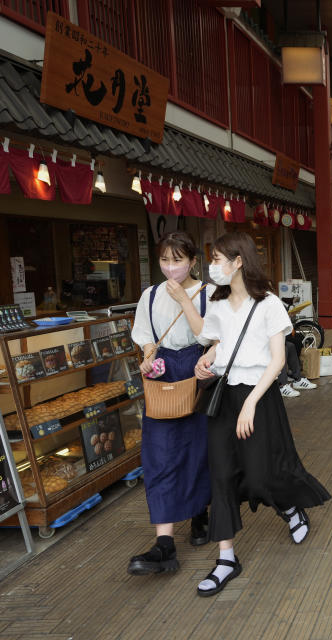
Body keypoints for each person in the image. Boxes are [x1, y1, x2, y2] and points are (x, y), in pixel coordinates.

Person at [194, 232, 331, 597]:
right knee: (221, 474)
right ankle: (226, 558)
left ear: (239, 261)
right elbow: (215, 344)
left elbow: (278, 360)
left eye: (218, 259)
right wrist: (203, 363)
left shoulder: (268, 303)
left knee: (259, 474)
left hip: (258, 395)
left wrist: (252, 402)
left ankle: (289, 508)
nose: (213, 267)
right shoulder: (217, 303)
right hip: (223, 396)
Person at [128, 231, 211, 575]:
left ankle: (199, 514)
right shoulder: (149, 295)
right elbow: (147, 338)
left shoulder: (209, 293)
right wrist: (147, 358)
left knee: (197, 452)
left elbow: (209, 336)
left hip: (197, 373)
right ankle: (164, 544)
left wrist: (184, 300)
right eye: (164, 260)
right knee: (159, 455)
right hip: (161, 376)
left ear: (193, 261)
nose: (170, 267)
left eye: (178, 260)